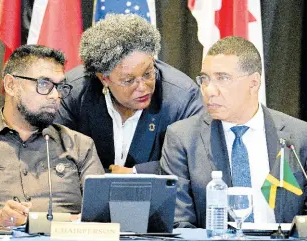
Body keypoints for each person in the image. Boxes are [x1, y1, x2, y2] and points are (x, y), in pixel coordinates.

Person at [0, 45, 104, 227]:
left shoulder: (80, 145)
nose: (56, 95)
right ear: (11, 85)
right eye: (44, 84)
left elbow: (101, 217)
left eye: (60, 86)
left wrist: (34, 223)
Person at [160, 36, 307, 228]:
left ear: (253, 83)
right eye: (204, 79)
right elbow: (179, 224)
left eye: (222, 78)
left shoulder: (299, 134)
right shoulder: (183, 138)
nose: (209, 90)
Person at [56, 14, 203, 174]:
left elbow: (195, 160)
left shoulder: (182, 97)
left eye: (148, 73)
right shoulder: (73, 92)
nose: (143, 87)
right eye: (128, 80)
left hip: (155, 195)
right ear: (103, 78)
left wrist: (136, 173)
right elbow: (53, 151)